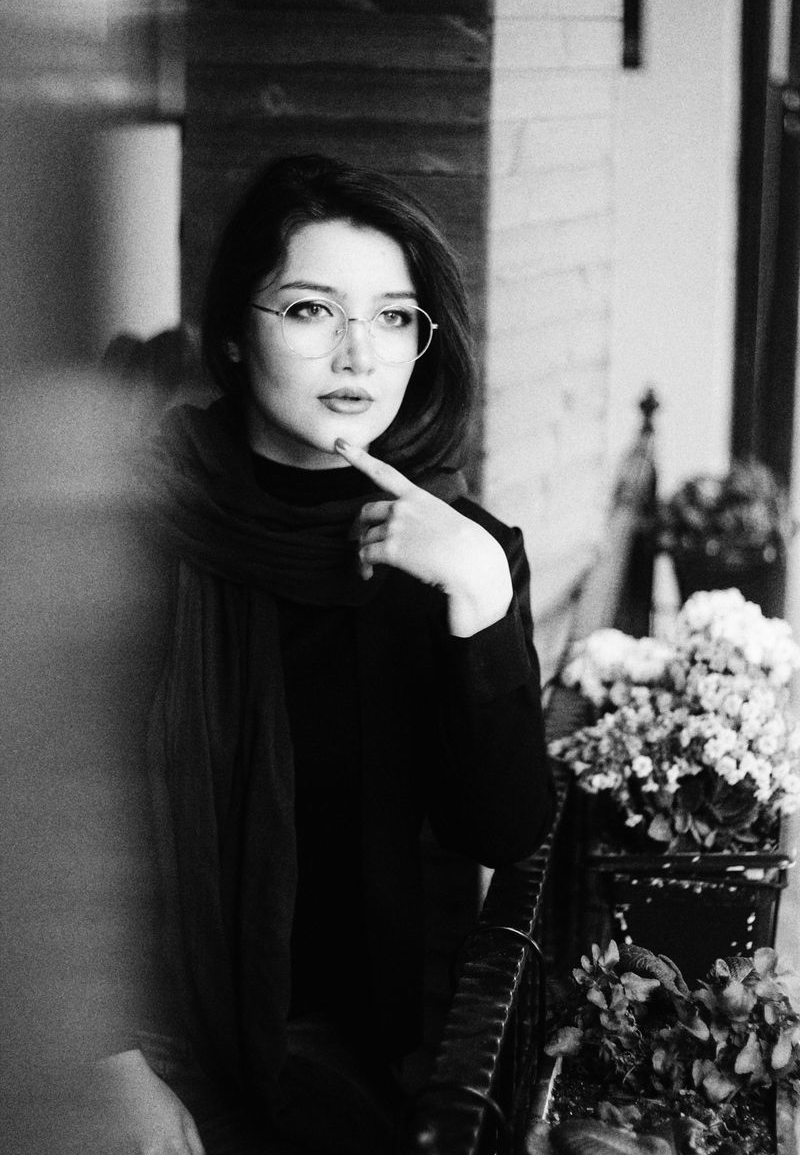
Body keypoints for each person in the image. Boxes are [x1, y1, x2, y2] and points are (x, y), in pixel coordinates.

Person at [99, 154, 555, 1154]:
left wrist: (481, 595)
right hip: (155, 1046)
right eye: (312, 310)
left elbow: (503, 824)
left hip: (370, 1058)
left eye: (393, 316)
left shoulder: (456, 547)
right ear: (231, 330)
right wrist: (108, 1063)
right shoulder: (130, 526)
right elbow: (52, 814)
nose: (359, 353)